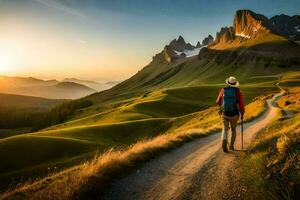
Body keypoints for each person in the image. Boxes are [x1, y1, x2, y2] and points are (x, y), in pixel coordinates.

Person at [216, 76, 245, 152]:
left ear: (228, 83)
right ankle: (231, 146)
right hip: (234, 115)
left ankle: (224, 140)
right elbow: (241, 104)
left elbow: (218, 101)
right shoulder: (238, 91)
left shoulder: (223, 90)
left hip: (224, 113)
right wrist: (242, 113)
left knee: (225, 128)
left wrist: (222, 106)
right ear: (235, 84)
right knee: (233, 130)